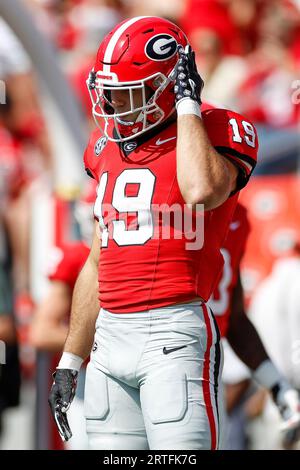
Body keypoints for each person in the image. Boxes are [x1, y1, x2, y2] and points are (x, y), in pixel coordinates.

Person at [48, 16, 258, 450]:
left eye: (126, 94)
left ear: (169, 85)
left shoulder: (217, 129)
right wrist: (71, 359)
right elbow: (96, 260)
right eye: (109, 93)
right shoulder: (105, 146)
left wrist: (187, 106)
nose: (113, 108)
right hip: (108, 340)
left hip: (173, 332)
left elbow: (201, 190)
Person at [208, 202, 300, 449]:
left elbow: (235, 320)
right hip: (143, 359)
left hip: (204, 375)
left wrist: (276, 383)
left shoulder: (236, 216)